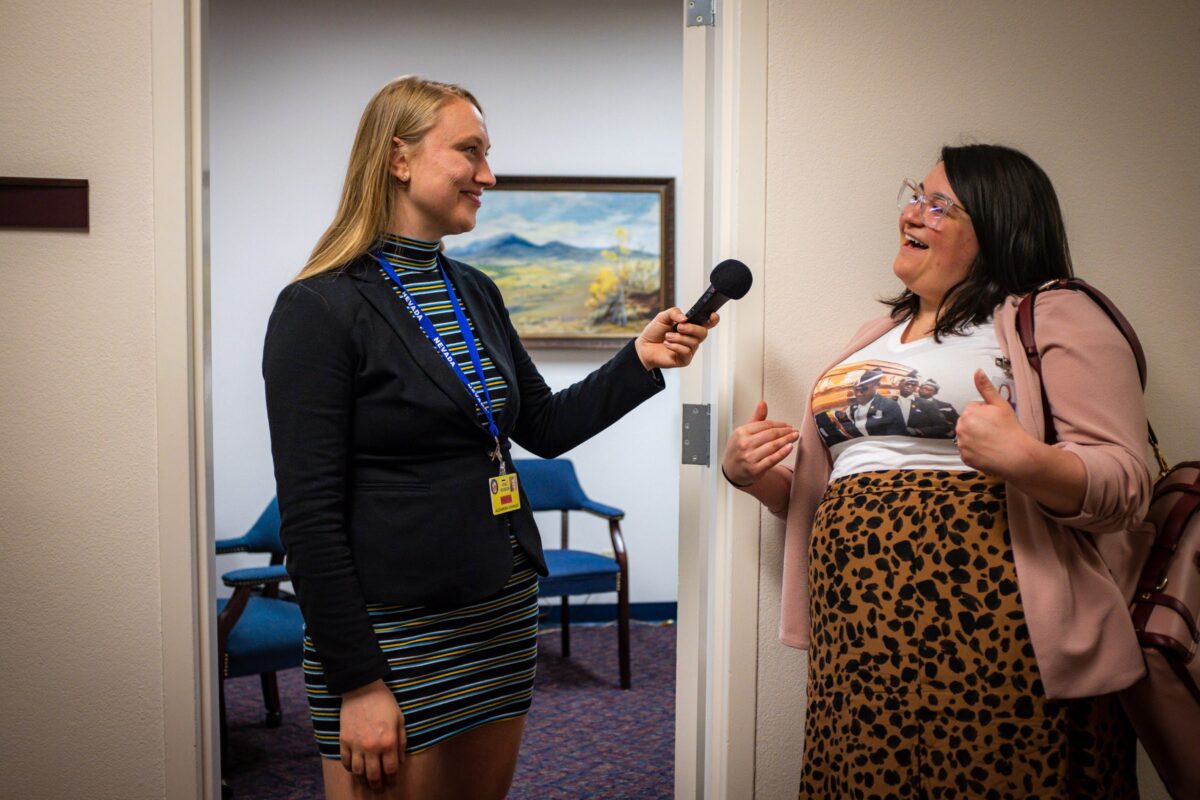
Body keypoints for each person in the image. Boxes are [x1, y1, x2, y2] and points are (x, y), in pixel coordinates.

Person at [262, 75, 716, 800]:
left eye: (487, 152)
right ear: (398, 159)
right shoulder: (319, 307)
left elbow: (541, 425)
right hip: (392, 632)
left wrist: (639, 359)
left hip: (499, 612)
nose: (488, 174)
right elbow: (309, 516)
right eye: (469, 151)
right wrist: (357, 681)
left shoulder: (475, 290)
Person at [721, 144, 1149, 798]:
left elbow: (1125, 486)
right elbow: (832, 488)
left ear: (1001, 226)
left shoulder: (1053, 314)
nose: (911, 214)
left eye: (939, 205)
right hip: (858, 641)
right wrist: (754, 476)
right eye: (914, 195)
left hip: (997, 637)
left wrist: (1025, 460)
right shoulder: (873, 336)